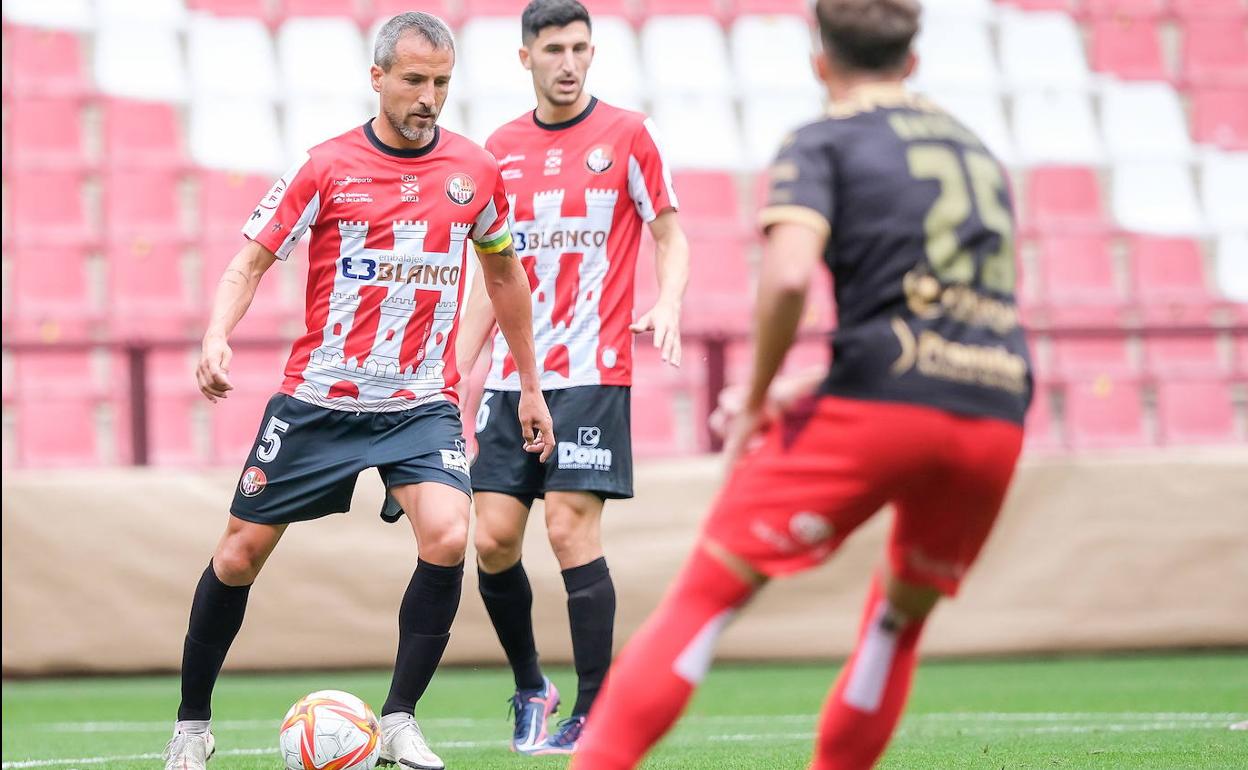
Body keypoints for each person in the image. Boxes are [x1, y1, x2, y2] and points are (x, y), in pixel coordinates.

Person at [570, 0, 1033, 767]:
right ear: (912, 62)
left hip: (881, 409)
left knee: (705, 597)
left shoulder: (824, 140)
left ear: (820, 63)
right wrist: (818, 379)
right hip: (995, 407)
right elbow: (955, 313)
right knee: (897, 622)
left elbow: (787, 279)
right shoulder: (976, 149)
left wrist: (754, 401)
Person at [162, 13, 554, 770]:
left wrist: (528, 385)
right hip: (320, 400)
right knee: (238, 555)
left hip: (419, 403)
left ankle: (400, 720)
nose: (428, 97)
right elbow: (250, 261)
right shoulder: (325, 166)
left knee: (447, 535)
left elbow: (505, 276)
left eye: (441, 83)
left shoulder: (475, 172)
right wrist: (217, 334)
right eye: (414, 81)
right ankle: (191, 727)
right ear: (377, 78)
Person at [458, 0, 688, 756]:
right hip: (513, 382)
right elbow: (492, 274)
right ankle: (533, 683)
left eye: (581, 48)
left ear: (593, 55)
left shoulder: (627, 135)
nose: (568, 62)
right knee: (491, 541)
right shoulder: (499, 149)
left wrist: (669, 300)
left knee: (566, 526)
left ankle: (597, 706)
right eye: (553, 48)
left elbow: (669, 232)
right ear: (525, 57)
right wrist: (455, 375)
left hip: (593, 371)